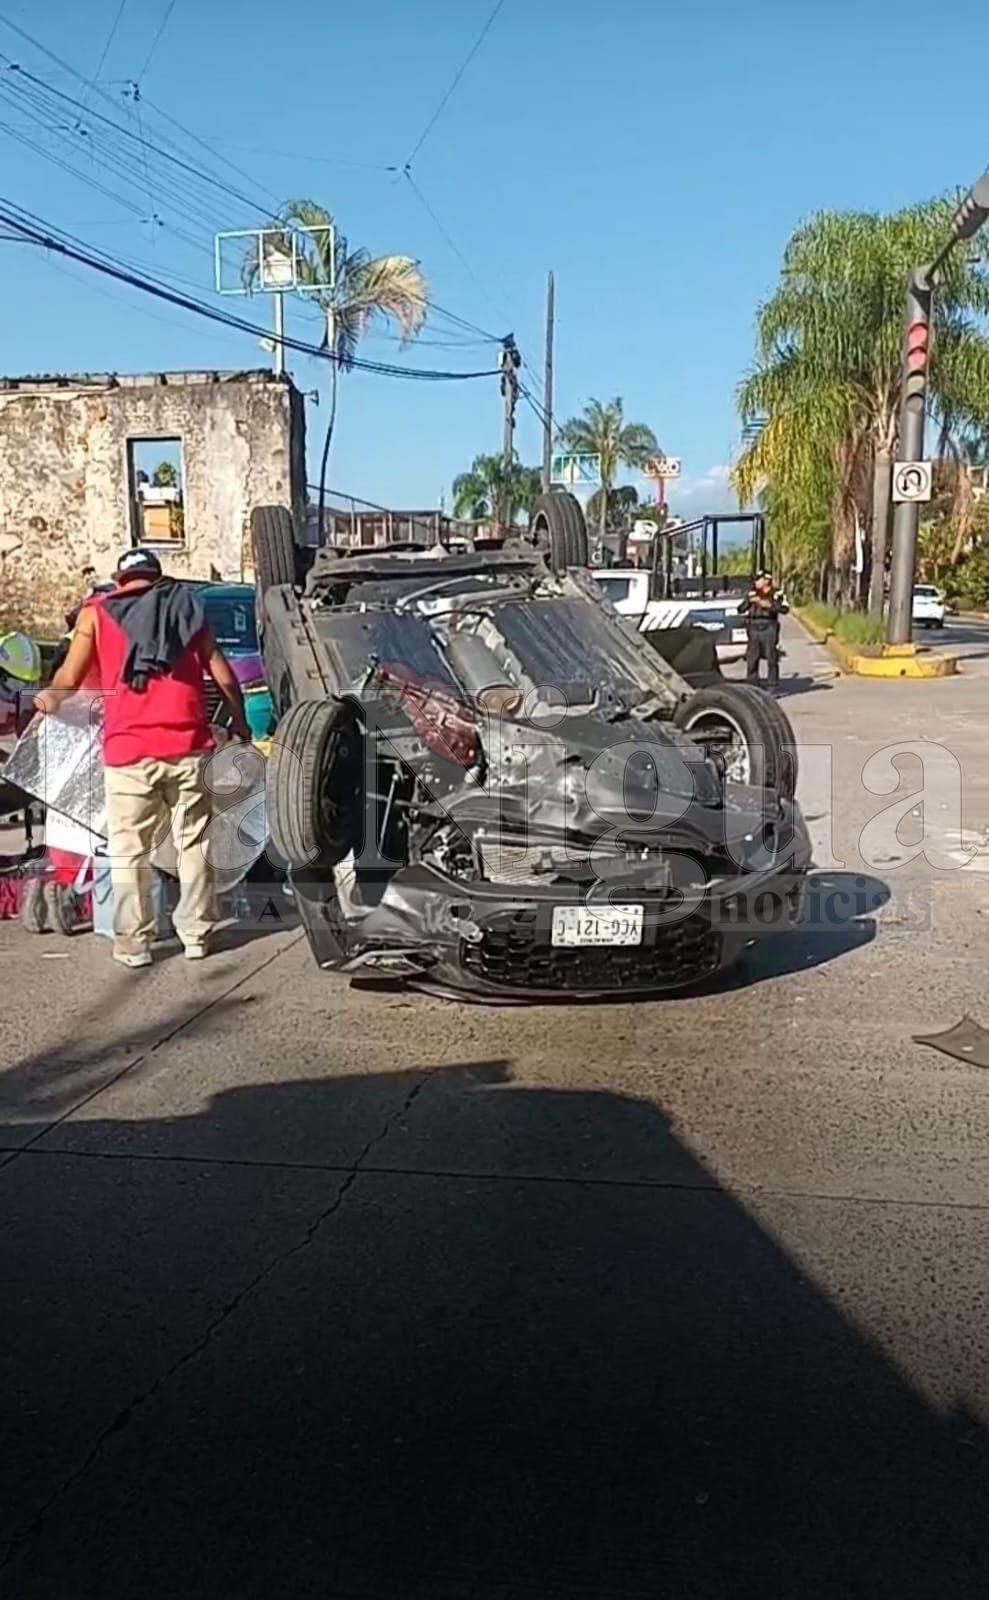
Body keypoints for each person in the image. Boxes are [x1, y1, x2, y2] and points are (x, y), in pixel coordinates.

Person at [35, 548, 252, 969]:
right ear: (158, 577)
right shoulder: (188, 608)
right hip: (189, 746)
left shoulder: (97, 612)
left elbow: (69, 677)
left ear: (120, 579)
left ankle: (135, 944)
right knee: (193, 842)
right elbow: (222, 674)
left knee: (129, 850)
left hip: (128, 753)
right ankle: (196, 935)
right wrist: (239, 724)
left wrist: (48, 700)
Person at [738, 571, 788, 689]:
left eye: (758, 580)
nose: (755, 582)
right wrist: (749, 601)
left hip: (769, 626)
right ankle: (752, 684)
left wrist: (768, 605)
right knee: (752, 658)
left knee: (771, 657)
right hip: (753, 627)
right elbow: (740, 609)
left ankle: (772, 686)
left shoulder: (776, 593)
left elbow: (785, 609)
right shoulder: (752, 593)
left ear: (766, 580)